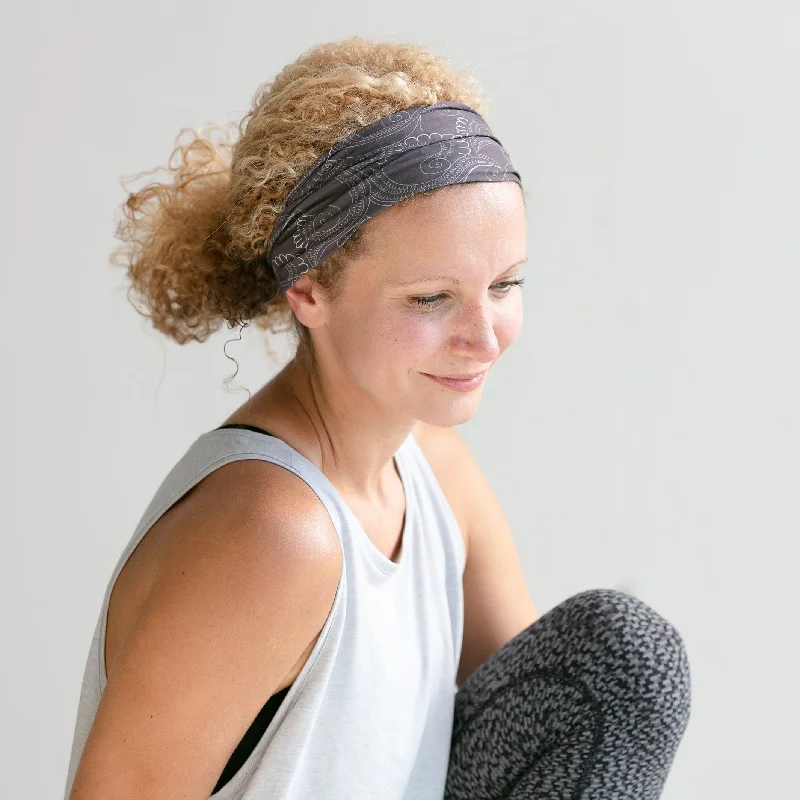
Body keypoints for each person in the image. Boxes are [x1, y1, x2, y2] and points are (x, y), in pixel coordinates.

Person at [63, 36, 691, 800]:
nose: (484, 335)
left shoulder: (433, 468)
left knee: (620, 657)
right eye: (432, 297)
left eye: (505, 283)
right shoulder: (273, 534)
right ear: (308, 292)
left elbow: (553, 735)